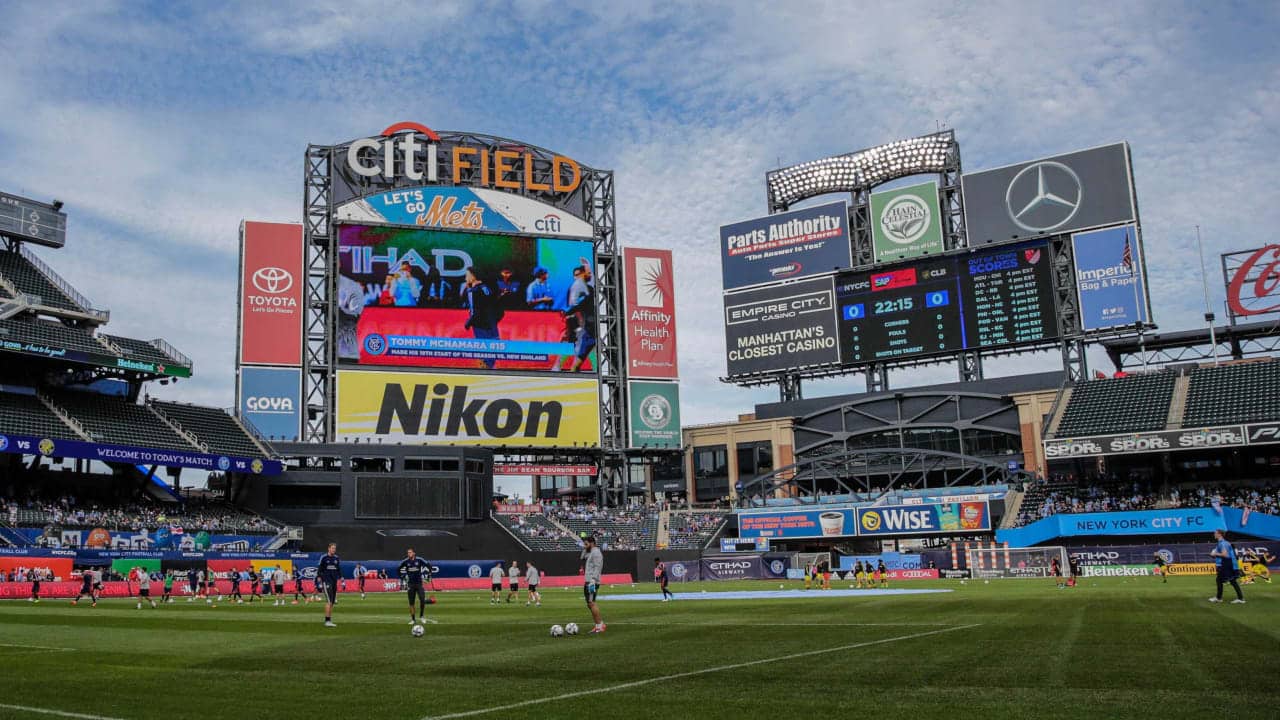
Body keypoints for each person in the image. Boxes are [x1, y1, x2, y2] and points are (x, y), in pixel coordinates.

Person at [463, 266, 502, 369]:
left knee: (483, 350)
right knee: (493, 347)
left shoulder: (472, 291)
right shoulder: (486, 288)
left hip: (480, 325)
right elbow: (496, 305)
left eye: (467, 275)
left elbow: (474, 311)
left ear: (473, 276)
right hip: (492, 323)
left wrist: (468, 323)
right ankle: (491, 368)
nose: (465, 277)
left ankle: (486, 369)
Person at [563, 261, 595, 372]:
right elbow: (573, 306)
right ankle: (567, 368)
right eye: (576, 275)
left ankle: (575, 368)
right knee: (577, 349)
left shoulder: (589, 290)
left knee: (584, 351)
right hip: (579, 325)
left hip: (588, 327)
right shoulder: (574, 288)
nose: (590, 275)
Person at [1209, 529, 1245, 604]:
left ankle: (1219, 598)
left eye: (1215, 533)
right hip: (1228, 563)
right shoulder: (1223, 543)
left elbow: (1225, 554)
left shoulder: (1222, 543)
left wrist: (1214, 554)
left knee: (1224, 580)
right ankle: (1240, 598)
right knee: (1226, 580)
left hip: (1227, 563)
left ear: (1219, 534)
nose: (1214, 534)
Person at [398, 548, 432, 625]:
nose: (408, 554)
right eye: (408, 553)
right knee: (411, 603)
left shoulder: (419, 560)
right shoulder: (405, 561)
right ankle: (413, 619)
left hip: (419, 584)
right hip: (410, 584)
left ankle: (422, 616)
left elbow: (429, 565)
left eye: (410, 552)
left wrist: (429, 574)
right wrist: (402, 577)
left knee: (422, 599)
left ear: (414, 553)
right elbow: (398, 568)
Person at [581, 535, 606, 634]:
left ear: (592, 543)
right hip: (588, 580)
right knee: (589, 603)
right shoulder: (591, 552)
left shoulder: (596, 553)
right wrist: (585, 549)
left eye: (586, 544)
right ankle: (598, 625)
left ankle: (600, 625)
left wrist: (593, 580)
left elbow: (598, 567)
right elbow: (582, 557)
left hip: (592, 581)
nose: (585, 545)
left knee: (591, 603)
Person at [318, 543, 342, 627]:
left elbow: (338, 569)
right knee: (329, 601)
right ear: (328, 548)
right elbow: (319, 569)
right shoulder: (324, 557)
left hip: (334, 581)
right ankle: (327, 621)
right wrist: (321, 579)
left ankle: (329, 620)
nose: (333, 550)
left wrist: (341, 578)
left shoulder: (336, 558)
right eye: (332, 548)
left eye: (334, 548)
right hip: (326, 581)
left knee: (332, 602)